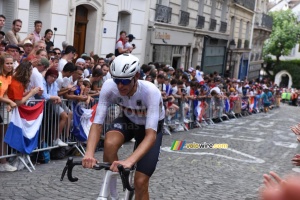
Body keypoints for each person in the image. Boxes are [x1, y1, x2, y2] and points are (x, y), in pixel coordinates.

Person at [82, 54, 165, 200]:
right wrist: (89, 153)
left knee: (140, 182)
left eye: (125, 81)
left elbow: (151, 136)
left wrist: (129, 161)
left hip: (150, 129)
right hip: (128, 121)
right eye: (117, 80)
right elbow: (97, 124)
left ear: (137, 76)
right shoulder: (109, 87)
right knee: (109, 143)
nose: (120, 86)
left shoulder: (151, 92)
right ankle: (113, 195)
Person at [0, 53, 17, 172]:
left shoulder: (8, 77)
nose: (10, 65)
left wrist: (8, 103)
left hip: (2, 107)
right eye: (7, 63)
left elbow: (4, 92)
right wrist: (9, 102)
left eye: (11, 63)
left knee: (3, 136)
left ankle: (3, 162)